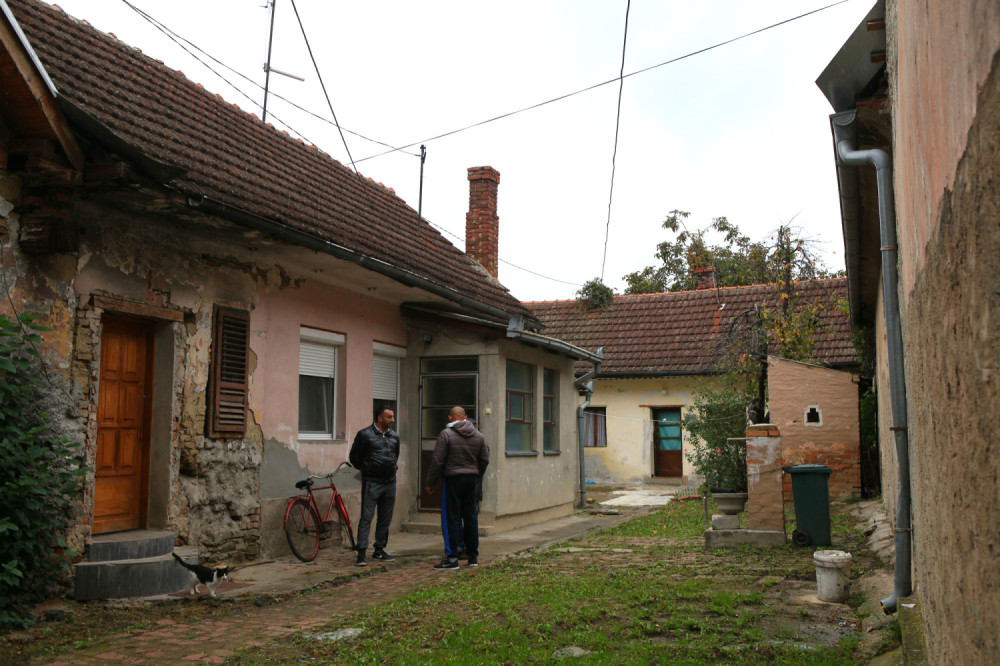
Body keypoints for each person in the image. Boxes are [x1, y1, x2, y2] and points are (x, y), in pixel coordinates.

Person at [424, 406, 489, 570]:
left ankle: (452, 558)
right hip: (472, 479)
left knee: (451, 517)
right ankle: (473, 556)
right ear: (465, 417)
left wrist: (430, 482)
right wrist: (476, 473)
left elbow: (437, 461)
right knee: (471, 517)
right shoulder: (479, 436)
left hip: (453, 479)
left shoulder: (446, 434)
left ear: (451, 418)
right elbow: (484, 460)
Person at [348, 406, 399, 567]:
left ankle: (379, 549)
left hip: (389, 481)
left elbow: (395, 455)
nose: (392, 420)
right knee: (367, 517)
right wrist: (368, 468)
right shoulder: (365, 435)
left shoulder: (394, 436)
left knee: (385, 517)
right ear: (379, 418)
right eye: (389, 417)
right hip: (372, 481)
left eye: (393, 417)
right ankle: (362, 551)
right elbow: (354, 457)